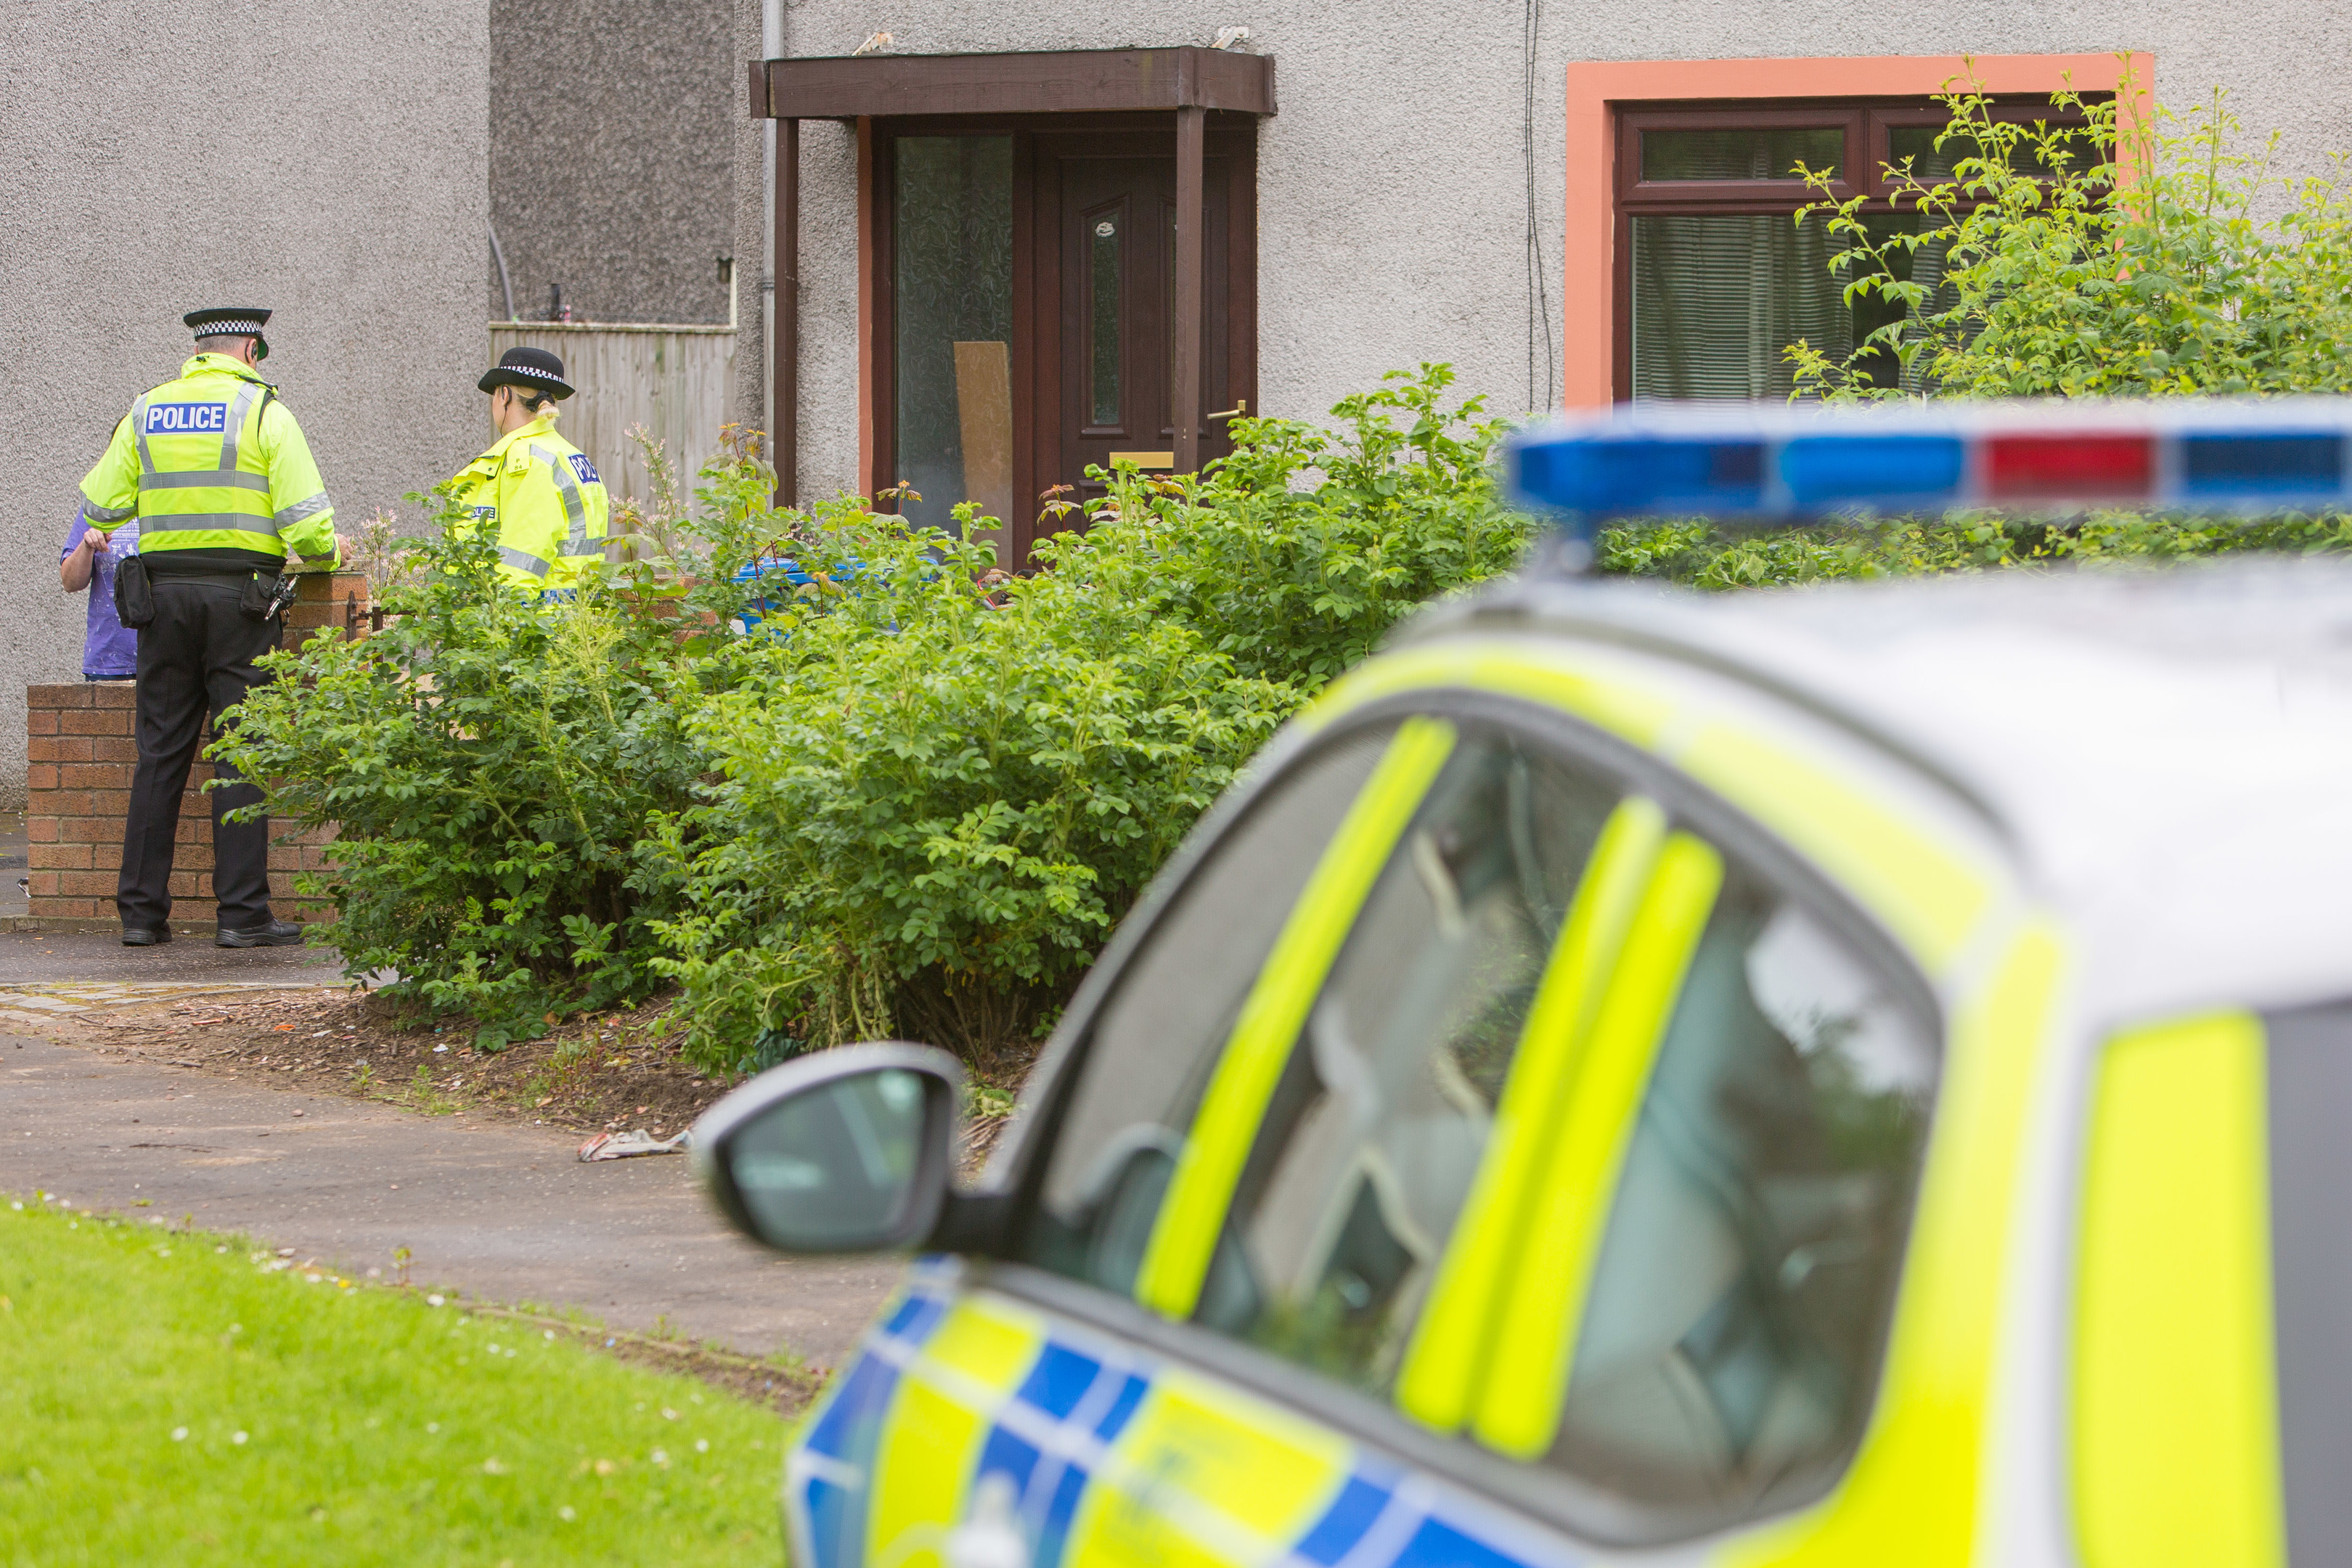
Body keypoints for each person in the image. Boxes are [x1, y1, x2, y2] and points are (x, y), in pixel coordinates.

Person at [78, 307, 346, 949]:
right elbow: (309, 526)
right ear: (250, 350)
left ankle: (141, 916)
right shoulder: (264, 413)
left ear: (200, 350)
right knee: (239, 754)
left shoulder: (148, 409)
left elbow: (102, 506)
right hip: (241, 603)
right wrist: (328, 559)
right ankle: (243, 916)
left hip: (162, 602)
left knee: (160, 755)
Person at [447, 348, 609, 593]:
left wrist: (505, 627)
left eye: (494, 394)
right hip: (576, 621)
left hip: (532, 626)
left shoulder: (526, 460)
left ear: (504, 395)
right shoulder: (572, 457)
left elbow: (519, 567)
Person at [58, 502, 139, 680]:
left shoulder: (169, 502)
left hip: (168, 662)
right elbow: (70, 582)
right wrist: (88, 545)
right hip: (109, 663)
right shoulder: (100, 505)